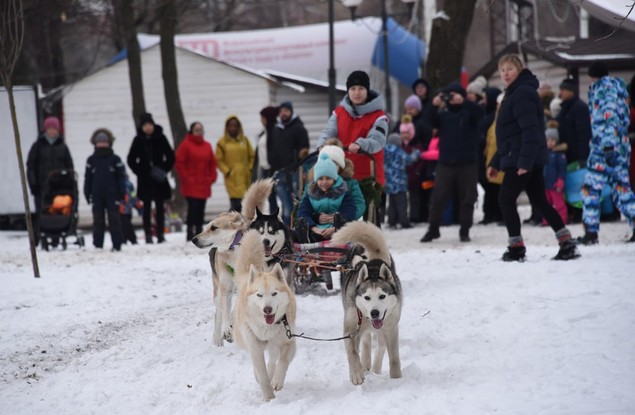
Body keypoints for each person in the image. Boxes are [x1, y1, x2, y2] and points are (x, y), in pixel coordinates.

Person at [487, 54, 579, 261]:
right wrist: (496, 162)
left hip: (522, 158)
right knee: (540, 201)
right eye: (502, 70)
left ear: (519, 69)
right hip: (521, 156)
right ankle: (566, 242)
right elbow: (509, 136)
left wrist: (525, 163)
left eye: (510, 69)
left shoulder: (522, 93)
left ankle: (516, 248)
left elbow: (530, 131)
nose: (505, 74)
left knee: (506, 199)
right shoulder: (514, 93)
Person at [317, 70, 389, 223]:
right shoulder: (339, 113)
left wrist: (361, 144)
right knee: (343, 219)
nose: (356, 93)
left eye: (361, 88)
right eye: (353, 89)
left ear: (367, 90)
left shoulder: (379, 116)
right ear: (348, 91)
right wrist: (322, 145)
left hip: (369, 178)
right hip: (344, 177)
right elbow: (329, 131)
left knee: (371, 220)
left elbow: (377, 139)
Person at [577, 61, 635, 244]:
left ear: (592, 76)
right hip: (621, 146)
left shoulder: (603, 90)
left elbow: (609, 117)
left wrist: (608, 145)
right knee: (621, 189)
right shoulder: (619, 89)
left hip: (604, 147)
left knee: (591, 189)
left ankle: (591, 233)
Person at [420, 82, 483, 243]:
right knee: (438, 197)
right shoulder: (443, 115)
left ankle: (465, 230)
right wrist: (433, 105)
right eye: (449, 95)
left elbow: (479, 114)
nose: (451, 98)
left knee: (468, 198)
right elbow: (426, 122)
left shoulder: (470, 112)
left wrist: (464, 101)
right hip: (446, 163)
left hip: (468, 162)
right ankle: (433, 229)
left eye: (454, 94)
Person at [127, 112, 175, 244]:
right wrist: (140, 171)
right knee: (146, 208)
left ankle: (160, 234)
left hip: (159, 179)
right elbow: (131, 159)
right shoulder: (138, 140)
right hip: (145, 180)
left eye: (150, 125)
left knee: (160, 207)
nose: (148, 128)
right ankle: (148, 234)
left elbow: (170, 156)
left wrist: (163, 169)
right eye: (145, 126)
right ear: (142, 127)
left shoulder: (161, 138)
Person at [26, 115, 74, 246]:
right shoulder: (37, 146)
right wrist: (33, 184)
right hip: (41, 186)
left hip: (59, 187)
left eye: (54, 128)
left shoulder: (63, 147)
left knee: (57, 211)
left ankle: (56, 238)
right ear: (45, 130)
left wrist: (69, 181)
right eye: (50, 128)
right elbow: (30, 166)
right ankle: (38, 238)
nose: (52, 131)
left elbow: (69, 165)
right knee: (41, 211)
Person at [295, 154, 356, 243]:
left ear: (334, 179)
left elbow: (349, 211)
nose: (324, 182)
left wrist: (334, 228)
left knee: (344, 219)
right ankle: (306, 236)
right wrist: (314, 228)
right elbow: (303, 212)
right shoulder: (311, 194)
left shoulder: (343, 193)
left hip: (337, 229)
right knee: (299, 223)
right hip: (316, 229)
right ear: (316, 180)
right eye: (320, 179)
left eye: (328, 178)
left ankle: (336, 232)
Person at [557, 77, 593, 223]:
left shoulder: (579, 108)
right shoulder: (565, 108)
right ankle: (573, 211)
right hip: (566, 155)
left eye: (563, 90)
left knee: (579, 184)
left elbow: (583, 135)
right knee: (571, 185)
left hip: (577, 156)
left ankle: (580, 212)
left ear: (571, 91)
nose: (560, 93)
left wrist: (582, 158)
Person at [175, 121, 218, 241]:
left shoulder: (207, 145)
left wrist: (212, 177)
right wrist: (186, 177)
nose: (199, 132)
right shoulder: (185, 145)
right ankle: (190, 231)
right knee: (192, 208)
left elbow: (212, 163)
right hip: (191, 184)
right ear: (191, 131)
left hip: (204, 182)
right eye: (196, 130)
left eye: (200, 130)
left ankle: (199, 231)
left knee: (201, 209)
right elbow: (179, 163)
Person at [84, 129, 126, 251]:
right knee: (98, 219)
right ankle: (98, 245)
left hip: (112, 195)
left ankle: (117, 244)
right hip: (97, 195)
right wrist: (87, 193)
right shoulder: (91, 160)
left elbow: (121, 178)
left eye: (104, 142)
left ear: (109, 143)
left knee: (114, 219)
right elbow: (88, 178)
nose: (102, 144)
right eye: (99, 142)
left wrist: (121, 193)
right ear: (95, 143)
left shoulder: (115, 159)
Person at [269, 101, 310, 226]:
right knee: (285, 205)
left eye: (286, 111)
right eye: (281, 111)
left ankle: (294, 230)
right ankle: (287, 230)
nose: (284, 113)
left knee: (294, 205)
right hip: (279, 173)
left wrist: (298, 163)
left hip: (293, 173)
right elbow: (271, 149)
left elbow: (304, 149)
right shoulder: (276, 130)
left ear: (291, 112)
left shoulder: (298, 128)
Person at [318, 139, 366, 220]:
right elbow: (306, 206)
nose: (330, 166)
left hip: (345, 221)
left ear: (340, 166)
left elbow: (359, 204)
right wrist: (315, 217)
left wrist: (345, 218)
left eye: (334, 163)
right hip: (319, 222)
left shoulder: (350, 183)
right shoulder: (314, 183)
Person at [215, 115, 255, 213]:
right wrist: (227, 171)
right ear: (227, 127)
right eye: (230, 126)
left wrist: (249, 167)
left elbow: (252, 155)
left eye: (235, 126)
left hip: (245, 176)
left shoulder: (244, 140)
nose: (233, 128)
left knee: (245, 202)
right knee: (236, 202)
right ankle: (231, 219)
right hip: (232, 177)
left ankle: (241, 221)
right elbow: (219, 160)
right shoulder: (222, 143)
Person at [478, 87, 504, 225]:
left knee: (498, 188)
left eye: (485, 98)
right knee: (490, 188)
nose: (483, 101)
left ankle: (499, 214)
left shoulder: (496, 118)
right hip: (487, 157)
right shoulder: (487, 116)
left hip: (497, 157)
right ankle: (490, 214)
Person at [384, 133, 419, 229]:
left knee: (391, 202)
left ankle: (392, 221)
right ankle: (403, 221)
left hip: (389, 182)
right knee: (402, 202)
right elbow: (409, 160)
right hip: (399, 182)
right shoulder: (399, 151)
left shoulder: (384, 151)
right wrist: (416, 153)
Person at [255, 106, 279, 211]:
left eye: (263, 118)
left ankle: (277, 216)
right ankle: (273, 216)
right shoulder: (264, 132)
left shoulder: (275, 131)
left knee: (275, 196)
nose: (261, 120)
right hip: (264, 168)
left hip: (272, 169)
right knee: (269, 197)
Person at [543, 124, 568, 225]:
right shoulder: (544, 153)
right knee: (545, 204)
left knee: (559, 204)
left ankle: (563, 219)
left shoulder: (559, 154)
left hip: (555, 185)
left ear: (556, 141)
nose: (550, 142)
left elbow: (562, 170)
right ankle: (546, 220)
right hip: (545, 184)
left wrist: (561, 180)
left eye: (552, 140)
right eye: (548, 140)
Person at [119, 174, 143, 245]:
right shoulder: (128, 184)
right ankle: (130, 239)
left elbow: (133, 195)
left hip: (124, 209)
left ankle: (126, 239)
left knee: (125, 225)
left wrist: (137, 205)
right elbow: (133, 196)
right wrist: (137, 205)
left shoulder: (126, 184)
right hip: (125, 209)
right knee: (126, 225)